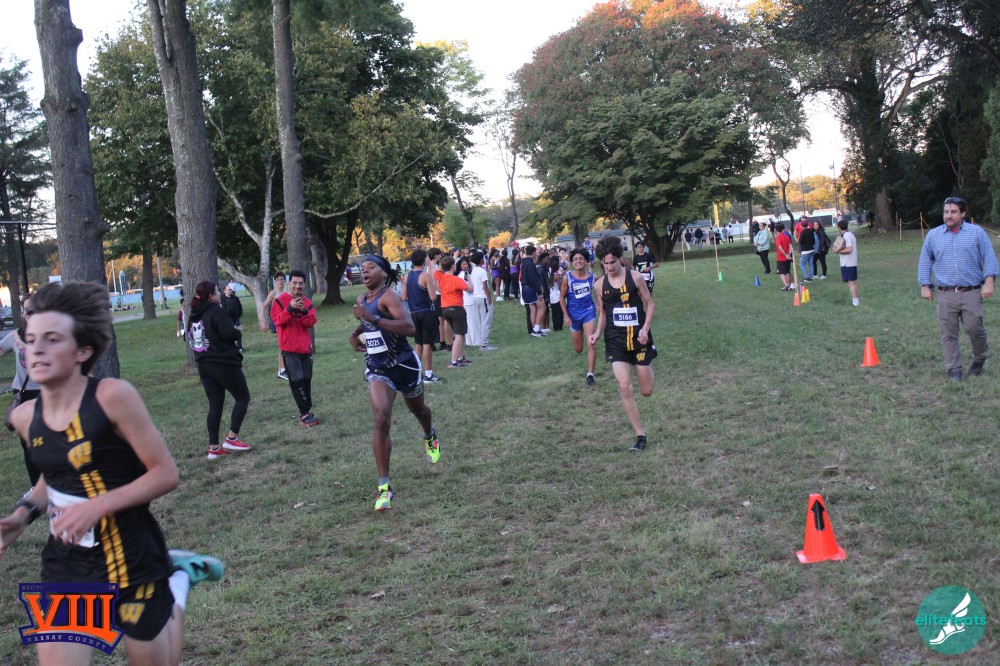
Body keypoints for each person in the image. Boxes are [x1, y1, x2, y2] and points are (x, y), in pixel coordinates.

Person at [0, 281, 223, 666]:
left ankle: (177, 581)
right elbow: (56, 474)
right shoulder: (23, 417)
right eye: (31, 339)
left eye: (52, 339)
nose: (36, 349)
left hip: (131, 557)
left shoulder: (112, 397)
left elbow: (164, 473)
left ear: (82, 350)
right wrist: (22, 515)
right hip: (67, 562)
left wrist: (97, 506)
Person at [349, 256, 439, 512]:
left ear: (384, 272)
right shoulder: (362, 299)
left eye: (371, 267)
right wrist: (354, 334)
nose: (365, 271)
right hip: (378, 367)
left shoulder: (390, 296)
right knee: (381, 419)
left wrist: (374, 319)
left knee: (418, 410)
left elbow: (409, 328)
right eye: (362, 268)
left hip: (404, 365)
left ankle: (429, 435)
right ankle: (384, 487)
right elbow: (367, 320)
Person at [918, 197, 999, 381]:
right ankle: (954, 369)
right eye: (946, 212)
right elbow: (925, 260)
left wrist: (989, 281)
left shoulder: (976, 233)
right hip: (945, 293)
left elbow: (989, 257)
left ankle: (979, 358)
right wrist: (925, 285)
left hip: (971, 292)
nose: (949, 215)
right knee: (948, 333)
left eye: (954, 212)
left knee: (974, 328)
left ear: (963, 213)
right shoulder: (933, 235)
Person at [588, 235, 657, 451]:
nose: (609, 267)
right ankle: (640, 435)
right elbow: (603, 313)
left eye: (612, 262)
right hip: (615, 340)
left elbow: (650, 303)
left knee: (646, 391)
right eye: (605, 263)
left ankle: (650, 356)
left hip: (639, 338)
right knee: (625, 386)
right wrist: (597, 333)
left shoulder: (636, 278)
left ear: (620, 258)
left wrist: (645, 328)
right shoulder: (599, 285)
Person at [187, 281, 251, 460]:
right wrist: (238, 331)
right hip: (223, 363)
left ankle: (213, 447)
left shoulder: (194, 314)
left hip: (204, 365)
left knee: (215, 405)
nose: (219, 293)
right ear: (211, 296)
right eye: (216, 291)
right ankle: (232, 437)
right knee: (243, 397)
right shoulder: (216, 311)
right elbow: (228, 333)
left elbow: (190, 337)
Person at [1, 298, 42, 485]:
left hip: (44, 392)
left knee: (46, 438)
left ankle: (51, 482)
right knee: (26, 442)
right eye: (27, 310)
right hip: (23, 392)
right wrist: (16, 340)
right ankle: (35, 485)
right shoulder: (16, 335)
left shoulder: (47, 335)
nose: (30, 313)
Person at [270, 270, 319, 425]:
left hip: (305, 348)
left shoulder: (308, 303)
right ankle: (305, 414)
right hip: (289, 349)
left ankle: (307, 410)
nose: (298, 286)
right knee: (297, 380)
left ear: (304, 285)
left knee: (306, 380)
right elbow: (277, 321)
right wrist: (290, 308)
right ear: (289, 283)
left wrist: (303, 311)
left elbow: (310, 323)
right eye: (295, 283)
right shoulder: (279, 301)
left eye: (301, 283)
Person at [401, 249, 442, 383]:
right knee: (427, 344)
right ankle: (428, 375)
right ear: (425, 259)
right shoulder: (425, 276)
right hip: (426, 312)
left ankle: (416, 374)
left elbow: (404, 297)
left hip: (413, 313)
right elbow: (433, 297)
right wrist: (434, 285)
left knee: (418, 344)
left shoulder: (406, 276)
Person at [561, 249, 599, 385]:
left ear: (586, 261)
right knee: (579, 349)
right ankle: (580, 331)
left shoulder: (592, 277)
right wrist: (566, 316)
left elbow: (598, 293)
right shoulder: (567, 278)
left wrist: (598, 304)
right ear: (572, 262)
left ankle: (590, 374)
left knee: (591, 343)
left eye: (581, 258)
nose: (578, 261)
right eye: (575, 259)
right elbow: (561, 298)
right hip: (573, 316)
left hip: (588, 313)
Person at [435, 255, 473, 367]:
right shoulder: (456, 279)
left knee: (459, 333)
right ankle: (453, 361)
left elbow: (436, 284)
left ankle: (460, 358)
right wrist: (470, 280)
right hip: (456, 308)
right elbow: (471, 289)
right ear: (452, 266)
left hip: (445, 309)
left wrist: (444, 292)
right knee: (459, 335)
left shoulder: (441, 277)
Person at [261, 271, 288, 380]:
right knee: (282, 346)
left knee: (285, 345)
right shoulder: (273, 293)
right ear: (275, 281)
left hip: (285, 321)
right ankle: (281, 371)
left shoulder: (286, 292)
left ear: (285, 280)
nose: (280, 281)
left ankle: (283, 370)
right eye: (278, 280)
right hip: (277, 322)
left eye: (282, 279)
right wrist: (264, 321)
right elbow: (263, 306)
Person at [520, 245, 546, 337]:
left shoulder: (523, 263)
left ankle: (535, 330)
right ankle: (536, 329)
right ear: (533, 253)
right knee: (542, 308)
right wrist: (539, 292)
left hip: (524, 288)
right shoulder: (530, 264)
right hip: (531, 288)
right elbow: (533, 279)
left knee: (533, 309)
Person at [832, 220, 860, 307]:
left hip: (847, 263)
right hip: (852, 262)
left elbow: (849, 249)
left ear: (839, 227)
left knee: (850, 283)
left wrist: (838, 251)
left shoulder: (846, 235)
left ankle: (855, 302)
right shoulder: (851, 234)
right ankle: (857, 300)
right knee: (853, 282)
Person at [774, 222, 794, 291]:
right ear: (783, 229)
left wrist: (785, 255)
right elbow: (790, 246)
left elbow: (780, 247)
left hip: (781, 258)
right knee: (787, 272)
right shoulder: (786, 236)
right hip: (787, 258)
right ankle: (788, 285)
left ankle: (786, 286)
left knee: (781, 273)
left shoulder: (778, 238)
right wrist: (789, 254)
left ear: (776, 230)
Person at [797, 217, 815, 282]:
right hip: (812, 249)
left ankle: (806, 277)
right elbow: (813, 240)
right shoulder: (811, 231)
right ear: (807, 225)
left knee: (802, 264)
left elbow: (800, 241)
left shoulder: (803, 232)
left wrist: (798, 239)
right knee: (811, 264)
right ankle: (811, 276)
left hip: (805, 250)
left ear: (802, 226)